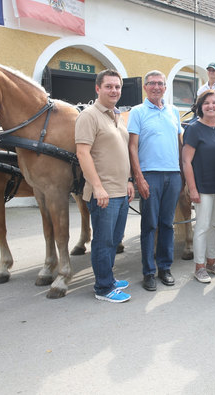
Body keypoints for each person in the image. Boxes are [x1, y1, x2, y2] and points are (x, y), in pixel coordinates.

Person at [75, 69, 134, 303]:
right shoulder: (89, 115)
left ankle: (106, 277)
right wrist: (97, 187)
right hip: (103, 194)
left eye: (117, 87)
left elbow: (120, 154)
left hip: (121, 191)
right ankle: (103, 288)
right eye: (109, 86)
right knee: (103, 240)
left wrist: (129, 180)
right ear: (97, 88)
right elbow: (82, 152)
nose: (114, 90)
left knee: (114, 239)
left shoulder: (116, 116)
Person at [128, 70, 183, 291]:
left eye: (160, 83)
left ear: (165, 88)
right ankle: (148, 272)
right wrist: (138, 177)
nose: (156, 87)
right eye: (152, 83)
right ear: (145, 87)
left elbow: (179, 142)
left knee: (167, 225)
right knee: (149, 225)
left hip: (173, 175)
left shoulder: (174, 111)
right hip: (150, 176)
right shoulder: (138, 112)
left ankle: (165, 268)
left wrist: (181, 173)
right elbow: (132, 146)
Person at [182, 90, 215, 283]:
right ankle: (199, 266)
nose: (211, 106)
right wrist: (192, 188)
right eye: (206, 103)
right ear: (200, 107)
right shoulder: (194, 129)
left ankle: (212, 262)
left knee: (214, 225)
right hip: (202, 185)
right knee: (202, 226)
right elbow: (187, 162)